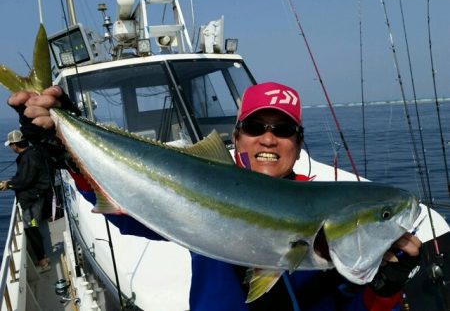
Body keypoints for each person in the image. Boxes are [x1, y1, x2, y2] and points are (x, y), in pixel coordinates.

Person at [7, 83, 424, 310]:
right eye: (256, 126)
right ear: (237, 136)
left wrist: (387, 284)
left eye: (282, 130)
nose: (268, 138)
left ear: (297, 143)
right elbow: (131, 212)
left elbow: (359, 307)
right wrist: (68, 148)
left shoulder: (321, 205)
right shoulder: (209, 179)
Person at [0, 130, 53, 273]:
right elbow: (25, 176)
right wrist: (10, 182)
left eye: (11, 145)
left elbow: (25, 180)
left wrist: (8, 185)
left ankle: (43, 262)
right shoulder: (29, 154)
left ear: (15, 145)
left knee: (31, 229)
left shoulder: (28, 158)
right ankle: (43, 258)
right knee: (32, 228)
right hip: (34, 197)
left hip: (32, 201)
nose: (11, 148)